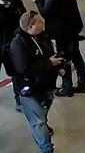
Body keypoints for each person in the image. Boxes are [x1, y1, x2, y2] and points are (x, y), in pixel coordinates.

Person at [8, 10, 64, 153]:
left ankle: (43, 126)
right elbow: (23, 69)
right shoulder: (18, 44)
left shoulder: (42, 36)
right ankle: (46, 148)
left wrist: (58, 68)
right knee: (38, 121)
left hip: (46, 84)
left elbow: (49, 54)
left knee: (43, 113)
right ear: (29, 27)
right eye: (39, 22)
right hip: (31, 88)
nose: (42, 22)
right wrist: (49, 64)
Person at [35, 0, 85, 96]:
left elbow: (46, 12)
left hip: (63, 32)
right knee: (76, 56)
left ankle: (67, 87)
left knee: (63, 58)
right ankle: (83, 83)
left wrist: (38, 1)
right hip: (71, 27)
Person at [0, 0, 27, 111]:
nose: (7, 3)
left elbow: (23, 19)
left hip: (13, 46)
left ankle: (19, 99)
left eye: (9, 1)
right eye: (4, 1)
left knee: (17, 74)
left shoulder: (17, 4)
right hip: (1, 45)